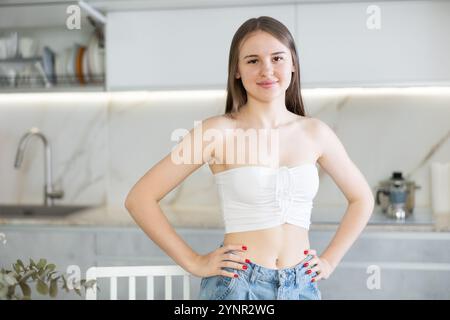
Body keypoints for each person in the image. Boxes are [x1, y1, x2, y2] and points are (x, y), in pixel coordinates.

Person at [125, 16, 375, 300]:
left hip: (301, 286)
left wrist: (330, 260)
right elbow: (140, 198)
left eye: (277, 58)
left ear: (293, 63)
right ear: (237, 71)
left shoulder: (316, 133)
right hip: (237, 286)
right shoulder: (217, 132)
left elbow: (362, 199)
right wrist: (194, 261)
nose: (266, 70)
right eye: (253, 60)